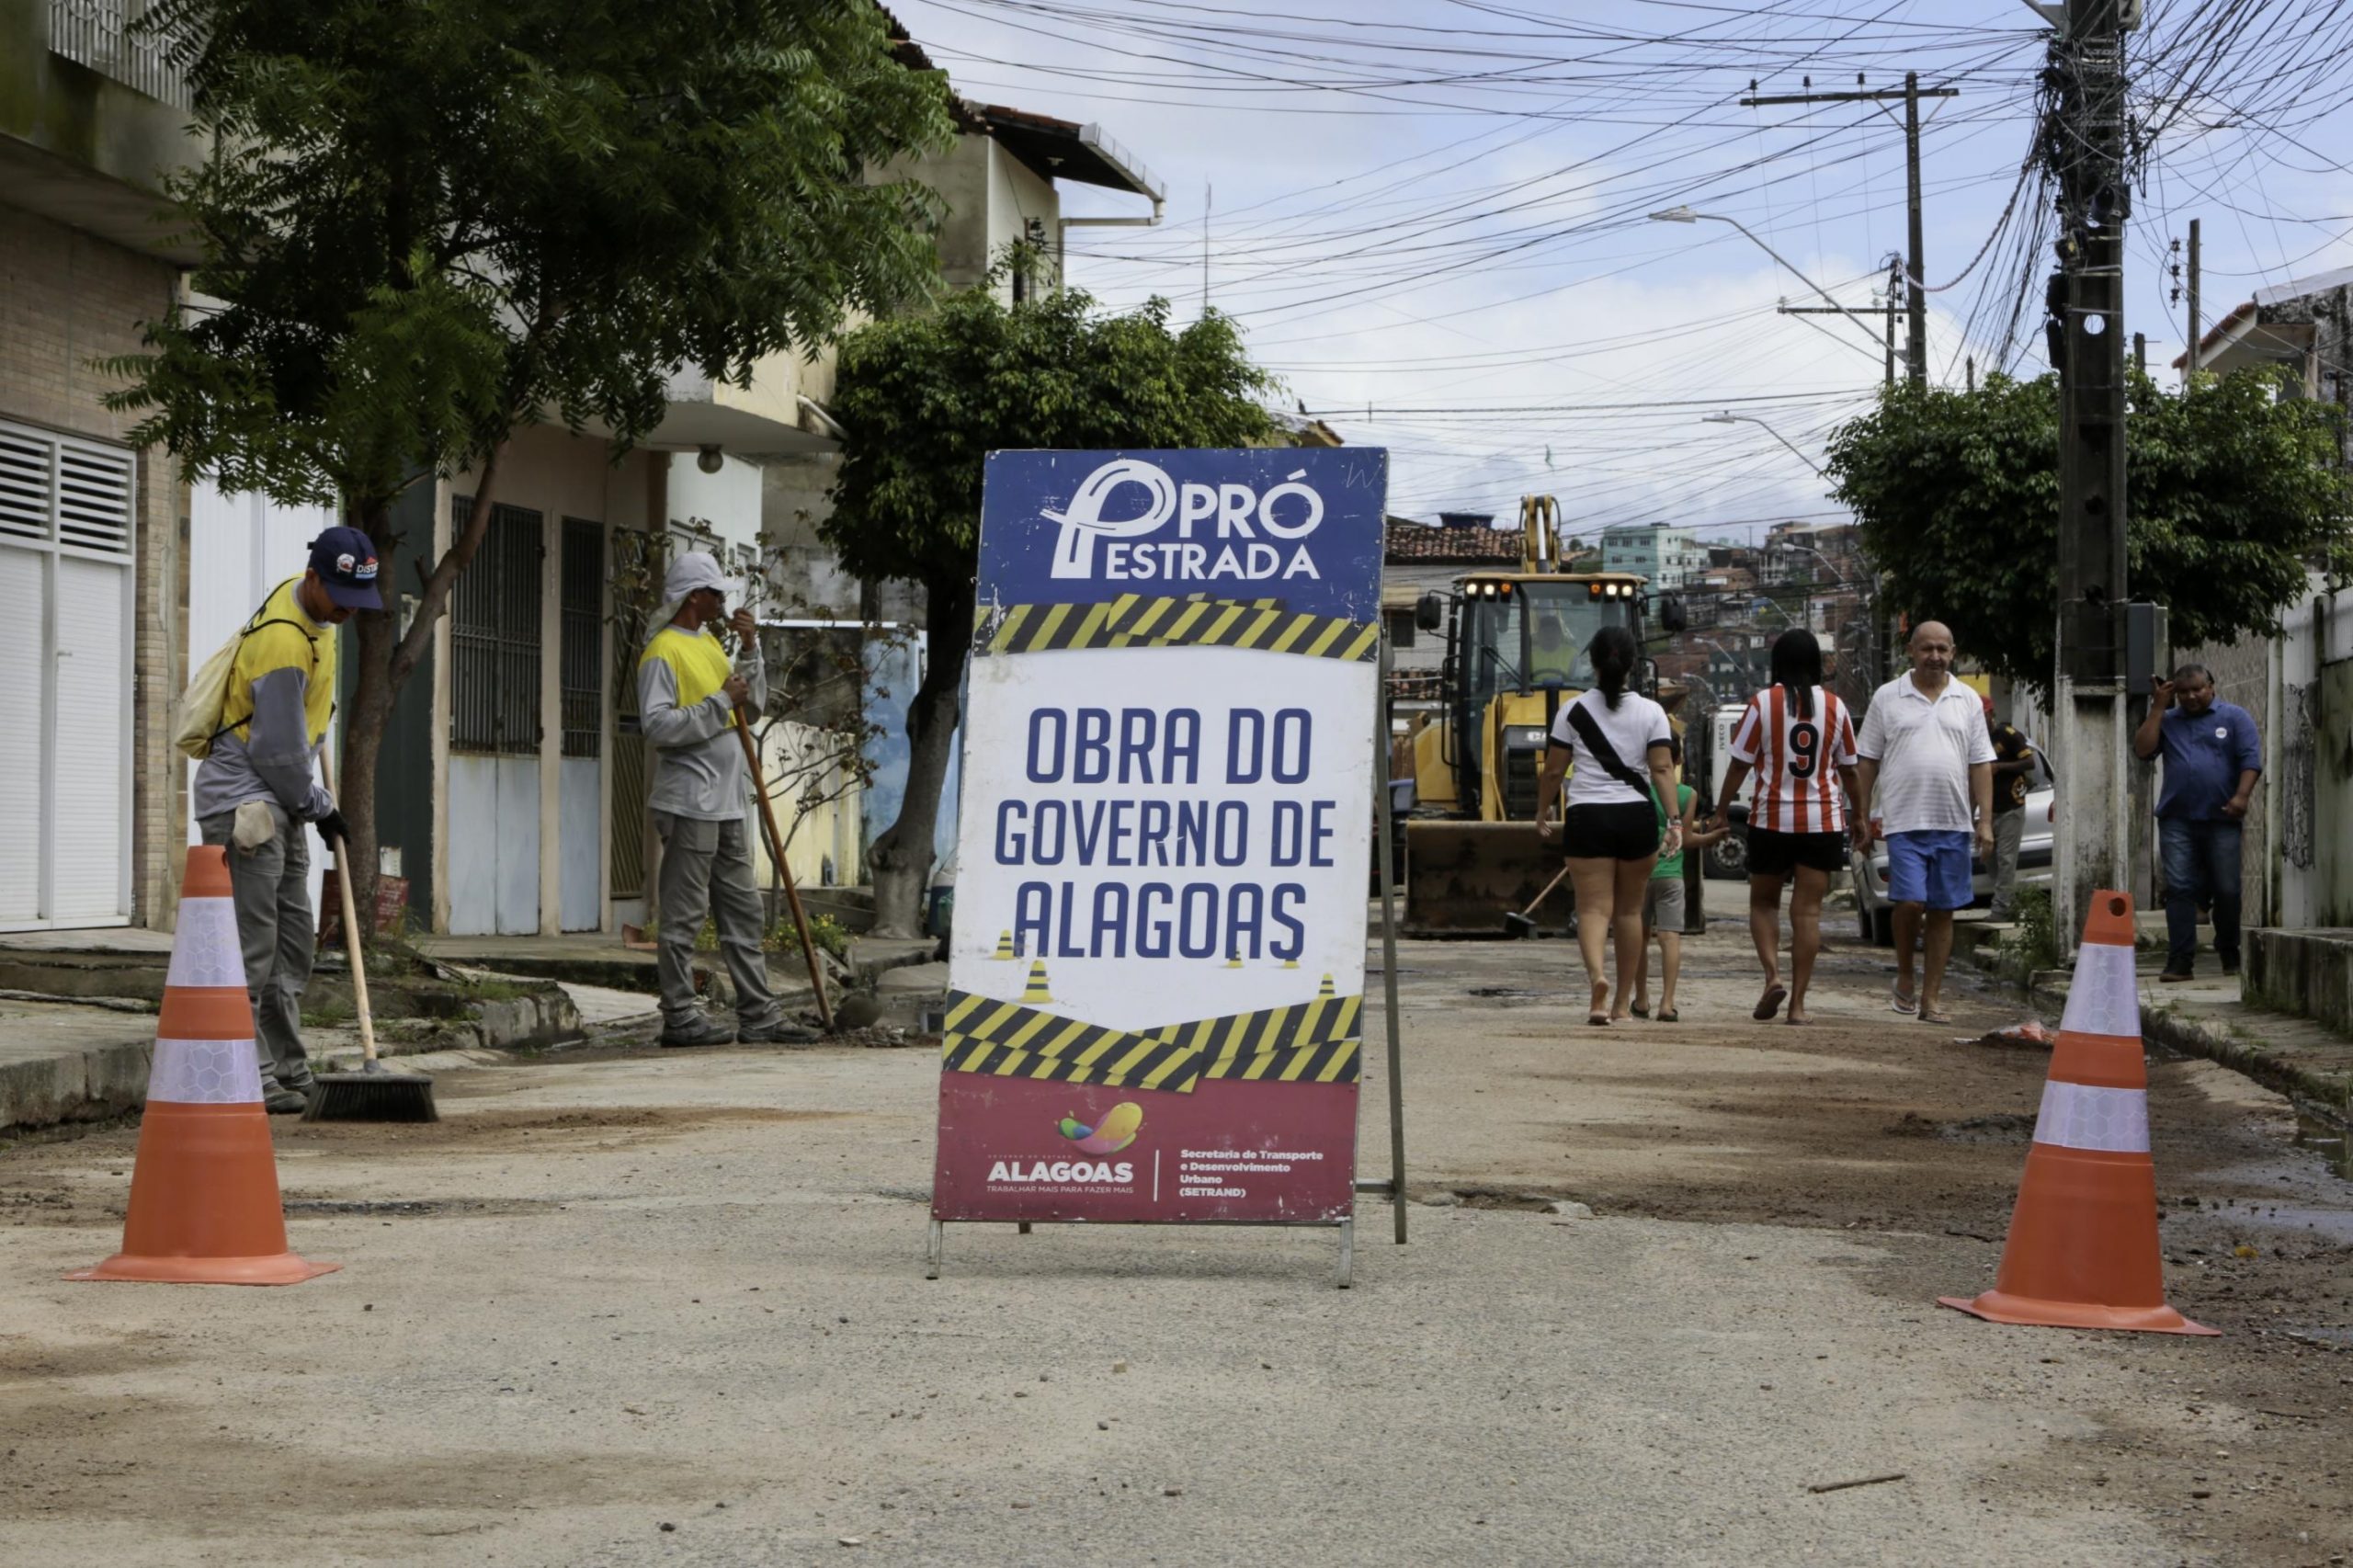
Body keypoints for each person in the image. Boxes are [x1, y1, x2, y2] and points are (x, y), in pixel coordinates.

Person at [192, 528, 378, 1112]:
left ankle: (290, 1067)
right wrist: (321, 805)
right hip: (249, 803)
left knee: (293, 941)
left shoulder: (315, 619)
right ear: (314, 578)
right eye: (341, 594)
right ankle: (254, 1073)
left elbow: (295, 737)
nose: (349, 609)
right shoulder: (281, 643)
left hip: (282, 797)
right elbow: (275, 749)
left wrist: (309, 798)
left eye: (359, 598)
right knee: (254, 944)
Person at [638, 551, 794, 1047]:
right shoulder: (663, 651)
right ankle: (680, 1016)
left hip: (727, 801)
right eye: (716, 593)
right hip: (690, 801)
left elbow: (749, 704)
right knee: (684, 913)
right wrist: (720, 701)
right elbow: (658, 725)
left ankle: (760, 1014)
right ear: (693, 597)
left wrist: (749, 648)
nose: (724, 601)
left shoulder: (708, 643)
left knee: (742, 911)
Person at [1707, 630, 1860, 1025]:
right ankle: (1798, 1007)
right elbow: (1850, 770)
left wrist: (1721, 811)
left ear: (1777, 663)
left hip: (1770, 819)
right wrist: (1860, 814)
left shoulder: (1762, 703)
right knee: (1807, 915)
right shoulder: (1836, 707)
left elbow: (1740, 763)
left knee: (1763, 903)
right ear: (1816, 665)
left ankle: (1773, 975)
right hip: (1821, 820)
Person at [1536, 624, 1679, 1026]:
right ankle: (1621, 1003)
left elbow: (1552, 772)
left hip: (1588, 816)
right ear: (1633, 664)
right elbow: (1663, 768)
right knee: (1631, 913)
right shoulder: (1653, 712)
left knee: (1594, 911)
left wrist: (1542, 811)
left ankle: (1596, 985)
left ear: (1594, 664)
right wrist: (1675, 822)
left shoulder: (1572, 711)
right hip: (1636, 817)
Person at [1854, 622, 1995, 1025]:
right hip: (1902, 821)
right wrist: (1860, 814)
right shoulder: (1888, 697)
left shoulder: (1967, 699)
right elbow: (1867, 761)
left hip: (1953, 822)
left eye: (1942, 649)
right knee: (1910, 901)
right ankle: (1903, 974)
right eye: (1927, 649)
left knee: (1943, 911)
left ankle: (1931, 998)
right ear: (1911, 651)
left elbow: (1981, 762)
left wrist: (1984, 821)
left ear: (1953, 652)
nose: (1935, 656)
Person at [2133, 663, 2262, 982]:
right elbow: (2143, 749)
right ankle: (2180, 961)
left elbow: (2250, 761)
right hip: (2177, 819)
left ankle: (2229, 948)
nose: (2191, 696)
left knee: (2228, 889)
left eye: (2197, 689)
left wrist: (2242, 797)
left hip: (2222, 817)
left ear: (2212, 687)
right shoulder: (2169, 720)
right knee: (2179, 889)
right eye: (2184, 691)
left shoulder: (2235, 718)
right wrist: (2158, 708)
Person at [1630, 734, 1726, 1023]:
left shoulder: (1638, 790)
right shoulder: (1687, 795)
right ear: (1679, 760)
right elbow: (1685, 837)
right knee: (1670, 939)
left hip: (1639, 873)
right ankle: (1667, 1004)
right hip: (1671, 875)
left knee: (1638, 937)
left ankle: (1642, 999)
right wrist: (1710, 837)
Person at [1984, 697, 2038, 922]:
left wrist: (2000, 767)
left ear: (1990, 714)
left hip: (2012, 806)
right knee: (1989, 858)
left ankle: (2001, 909)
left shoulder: (2008, 734)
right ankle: (2009, 902)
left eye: (1981, 716)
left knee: (2006, 858)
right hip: (1990, 809)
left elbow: (2030, 763)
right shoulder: (1976, 739)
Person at [1529, 613, 1581, 683]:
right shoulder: (1529, 655)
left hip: (1566, 692)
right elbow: (1517, 679)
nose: (1550, 635)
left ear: (1560, 634)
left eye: (1553, 631)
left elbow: (1577, 681)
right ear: (1539, 635)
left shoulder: (1572, 654)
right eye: (1545, 632)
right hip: (1533, 692)